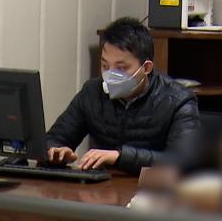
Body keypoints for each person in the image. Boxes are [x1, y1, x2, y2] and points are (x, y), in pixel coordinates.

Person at [44, 17, 199, 174]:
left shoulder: (178, 100)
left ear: (146, 68)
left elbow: (183, 161)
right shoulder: (92, 92)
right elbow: (53, 139)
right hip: (102, 184)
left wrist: (120, 157)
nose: (110, 75)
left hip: (152, 185)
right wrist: (55, 151)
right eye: (105, 65)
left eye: (121, 68)